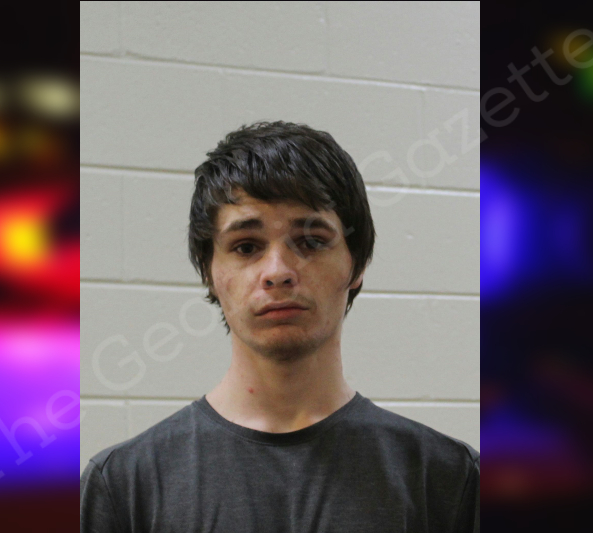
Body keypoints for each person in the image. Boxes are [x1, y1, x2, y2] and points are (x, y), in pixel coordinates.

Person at [80, 121, 479, 532]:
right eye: (246, 247)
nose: (277, 272)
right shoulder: (125, 486)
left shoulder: (447, 480)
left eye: (311, 242)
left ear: (356, 264)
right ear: (209, 271)